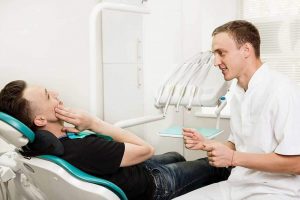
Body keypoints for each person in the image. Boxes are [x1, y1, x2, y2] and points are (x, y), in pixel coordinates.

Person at [0, 80, 231, 200]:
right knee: (214, 165)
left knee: (177, 156)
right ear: (40, 119)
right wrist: (93, 123)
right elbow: (146, 149)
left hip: (128, 172)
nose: (57, 94)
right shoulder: (83, 148)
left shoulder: (34, 146)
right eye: (49, 96)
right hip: (152, 186)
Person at [175, 20, 300, 199]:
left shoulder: (283, 91)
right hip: (237, 184)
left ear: (246, 50)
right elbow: (237, 144)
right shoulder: (237, 90)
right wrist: (207, 145)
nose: (216, 62)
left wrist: (233, 158)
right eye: (214, 54)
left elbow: (297, 164)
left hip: (275, 191)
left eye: (221, 53)